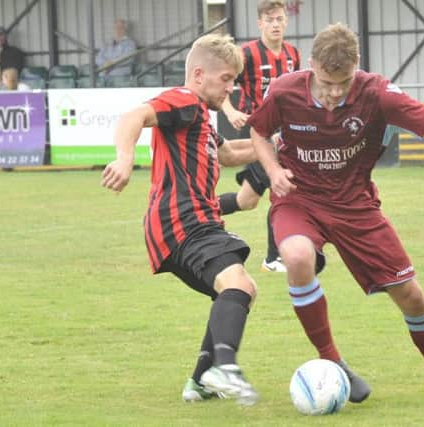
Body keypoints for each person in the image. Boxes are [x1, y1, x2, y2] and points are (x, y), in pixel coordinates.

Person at [249, 23, 424, 402]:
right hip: (299, 200)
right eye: (326, 83)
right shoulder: (285, 92)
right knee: (297, 256)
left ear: (357, 66)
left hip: (356, 206)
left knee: (411, 296)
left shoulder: (379, 94)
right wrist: (273, 172)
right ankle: (333, 363)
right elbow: (259, 132)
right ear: (311, 65)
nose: (335, 92)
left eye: (344, 83)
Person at [101, 33, 261, 406]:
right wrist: (125, 158)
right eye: (226, 79)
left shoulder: (202, 118)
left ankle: (202, 380)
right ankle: (223, 366)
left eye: (235, 80)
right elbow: (134, 115)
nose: (231, 88)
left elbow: (232, 155)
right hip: (181, 223)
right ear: (200, 74)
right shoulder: (185, 100)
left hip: (190, 223)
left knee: (238, 289)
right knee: (237, 283)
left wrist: (275, 148)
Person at [218, 0, 301, 273]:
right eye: (270, 20)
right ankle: (273, 258)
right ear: (260, 23)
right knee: (267, 194)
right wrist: (229, 111)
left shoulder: (293, 55)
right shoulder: (248, 54)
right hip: (260, 134)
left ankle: (276, 256)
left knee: (254, 198)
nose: (275, 24)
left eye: (279, 19)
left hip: (287, 135)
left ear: (285, 21)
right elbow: (222, 84)